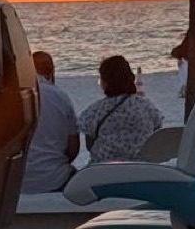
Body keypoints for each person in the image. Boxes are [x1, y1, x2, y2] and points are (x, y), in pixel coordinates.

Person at [78, 54, 164, 164]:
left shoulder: (95, 111)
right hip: (142, 168)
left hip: (102, 170)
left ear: (105, 82)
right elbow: (156, 133)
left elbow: (90, 146)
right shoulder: (147, 107)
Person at [22, 50, 81, 192]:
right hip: (55, 179)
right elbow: (73, 149)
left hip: (19, 181)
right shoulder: (61, 98)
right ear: (51, 72)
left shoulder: (15, 97)